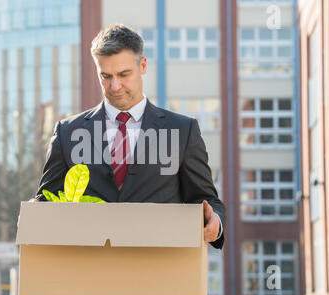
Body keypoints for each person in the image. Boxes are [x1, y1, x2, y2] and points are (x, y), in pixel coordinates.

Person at [31, 24, 226, 249]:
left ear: (142, 66)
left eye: (124, 74)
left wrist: (215, 221)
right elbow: (46, 201)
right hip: (89, 272)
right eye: (105, 76)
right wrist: (33, 212)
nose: (115, 86)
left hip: (158, 270)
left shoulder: (182, 131)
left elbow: (207, 200)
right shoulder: (68, 133)